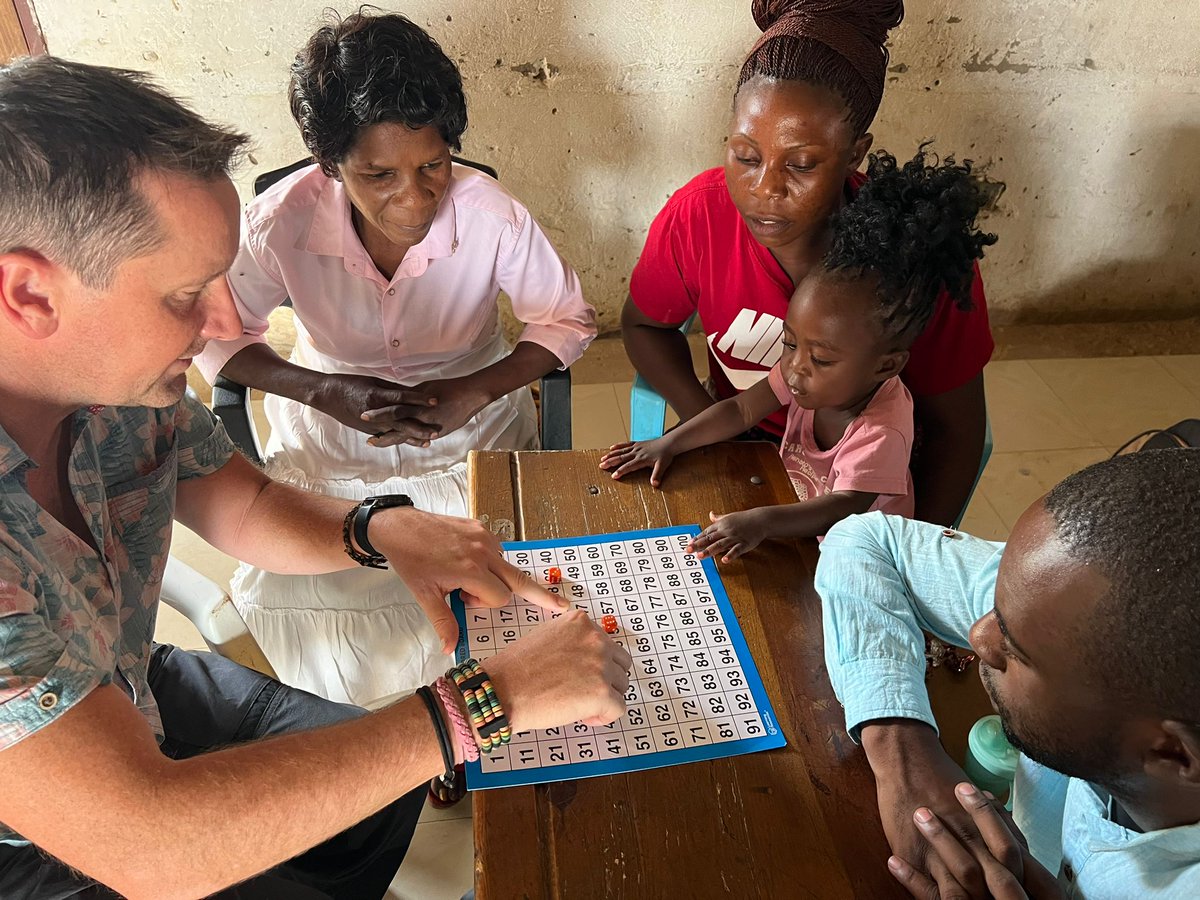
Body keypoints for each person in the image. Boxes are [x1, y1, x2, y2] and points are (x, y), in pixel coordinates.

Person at [0, 55, 630, 899]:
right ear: (31, 295)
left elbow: (243, 498)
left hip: (130, 678)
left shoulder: (120, 387)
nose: (219, 328)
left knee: (374, 801)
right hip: (46, 846)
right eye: (186, 295)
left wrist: (378, 528)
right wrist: (482, 702)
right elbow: (151, 844)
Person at [194, 11, 596, 709]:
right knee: (321, 576)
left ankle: (471, 713)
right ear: (330, 166)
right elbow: (217, 335)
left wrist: (473, 389)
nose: (413, 199)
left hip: (471, 433)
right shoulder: (281, 221)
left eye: (433, 165)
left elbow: (565, 319)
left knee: (493, 582)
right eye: (377, 175)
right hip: (330, 435)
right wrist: (320, 389)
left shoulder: (490, 215)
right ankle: (393, 727)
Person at [622, 0, 994, 528]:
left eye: (800, 164)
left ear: (855, 152)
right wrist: (715, 429)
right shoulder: (699, 214)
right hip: (744, 460)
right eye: (746, 156)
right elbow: (643, 325)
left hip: (858, 501)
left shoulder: (908, 264)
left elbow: (956, 434)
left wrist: (915, 558)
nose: (765, 189)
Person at [816, 450, 1200, 898]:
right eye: (996, 610)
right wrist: (902, 752)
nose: (979, 636)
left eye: (1015, 650)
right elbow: (865, 540)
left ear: (1172, 754)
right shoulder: (1076, 596)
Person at [601, 147, 995, 560]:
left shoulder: (882, 429)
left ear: (886, 365)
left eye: (821, 359)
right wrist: (671, 443)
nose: (795, 367)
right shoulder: (804, 374)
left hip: (861, 555)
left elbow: (844, 507)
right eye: (790, 342)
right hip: (792, 510)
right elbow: (738, 411)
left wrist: (762, 522)